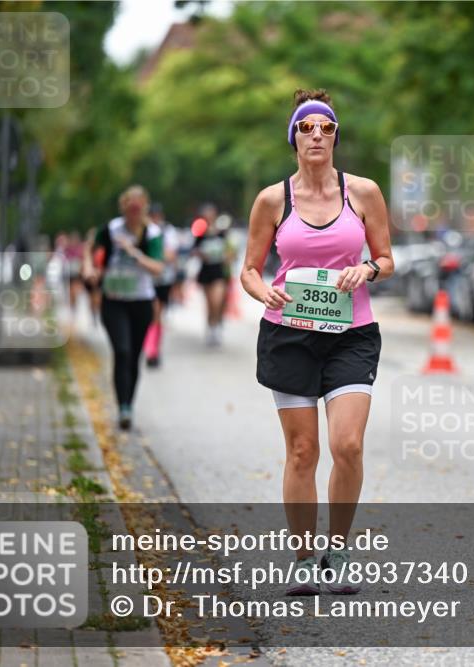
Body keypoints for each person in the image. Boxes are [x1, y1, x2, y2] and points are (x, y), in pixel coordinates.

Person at [241, 88, 394, 595]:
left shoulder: (364, 193)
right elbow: (249, 271)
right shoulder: (272, 200)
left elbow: (387, 259)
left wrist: (367, 269)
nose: (317, 135)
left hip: (351, 334)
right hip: (290, 334)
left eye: (326, 128)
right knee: (303, 452)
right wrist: (267, 291)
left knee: (347, 445)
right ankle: (305, 560)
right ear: (294, 138)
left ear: (335, 138)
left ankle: (339, 554)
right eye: (307, 127)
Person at [83, 186, 164, 430]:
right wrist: (89, 268)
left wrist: (134, 252)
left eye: (138, 210)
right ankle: (123, 408)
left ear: (144, 209)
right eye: (130, 209)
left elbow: (157, 268)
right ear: (124, 208)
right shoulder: (110, 229)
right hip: (113, 301)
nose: (133, 214)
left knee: (134, 356)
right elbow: (91, 250)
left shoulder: (152, 233)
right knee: (122, 351)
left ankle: (129, 402)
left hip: (141, 302)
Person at [144, 203, 179, 367]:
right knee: (152, 314)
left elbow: (171, 255)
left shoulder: (168, 231)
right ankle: (151, 349)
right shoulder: (143, 231)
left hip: (163, 279)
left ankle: (153, 349)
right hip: (146, 280)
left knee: (157, 314)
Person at [193, 203, 232, 346]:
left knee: (217, 301)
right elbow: (194, 250)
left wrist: (227, 256)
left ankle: (216, 326)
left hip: (219, 272)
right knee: (209, 303)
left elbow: (230, 250)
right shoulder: (200, 233)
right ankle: (211, 327)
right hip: (206, 271)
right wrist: (202, 254)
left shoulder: (222, 232)